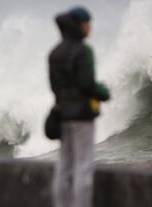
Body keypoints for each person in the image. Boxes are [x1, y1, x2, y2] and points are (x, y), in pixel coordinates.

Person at [47, 6, 110, 207]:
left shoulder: (54, 53)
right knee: (83, 168)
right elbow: (87, 85)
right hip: (82, 116)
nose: (90, 27)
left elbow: (54, 87)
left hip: (63, 115)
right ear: (79, 25)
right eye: (87, 23)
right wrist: (104, 92)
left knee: (64, 167)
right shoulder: (83, 51)